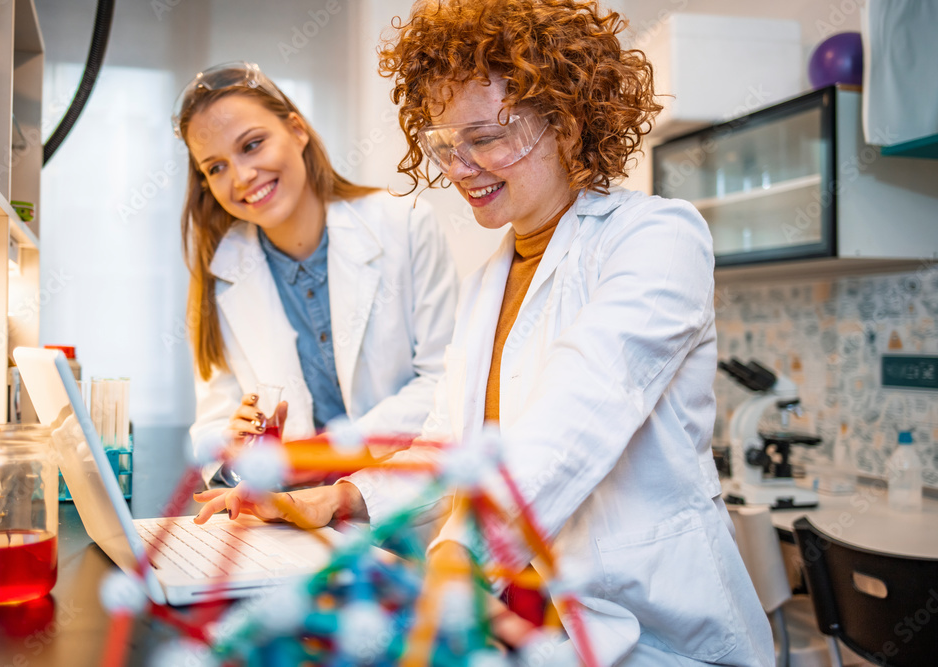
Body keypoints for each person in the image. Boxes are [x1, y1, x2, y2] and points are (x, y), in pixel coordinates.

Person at [194, 5, 774, 665]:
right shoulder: (489, 282)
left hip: (662, 640)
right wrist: (337, 497)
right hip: (537, 634)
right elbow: (446, 451)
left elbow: (573, 419)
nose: (460, 167)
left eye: (487, 137)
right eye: (446, 144)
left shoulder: (657, 238)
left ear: (567, 117)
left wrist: (453, 550)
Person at [174, 62, 458, 487]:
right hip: (290, 515)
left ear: (297, 130)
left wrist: (325, 455)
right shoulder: (220, 273)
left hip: (405, 502)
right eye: (215, 167)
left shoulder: (406, 223)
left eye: (252, 145)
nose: (241, 177)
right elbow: (214, 423)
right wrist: (233, 451)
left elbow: (444, 380)